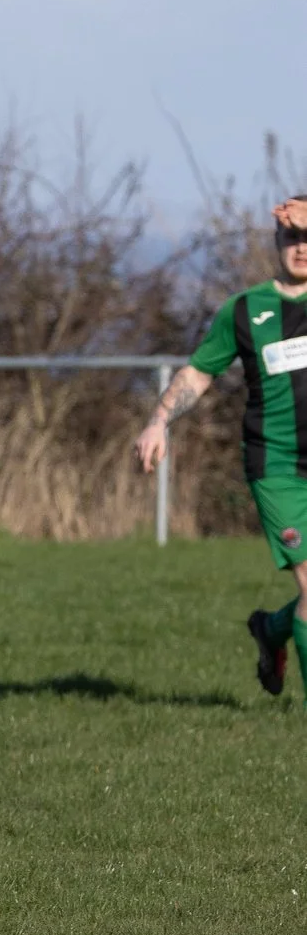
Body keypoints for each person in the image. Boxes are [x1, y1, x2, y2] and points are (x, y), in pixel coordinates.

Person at [138, 195, 307, 695]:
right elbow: (198, 372)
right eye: (292, 238)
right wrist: (158, 420)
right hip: (277, 466)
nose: (301, 248)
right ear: (276, 242)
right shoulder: (245, 309)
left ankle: (271, 630)